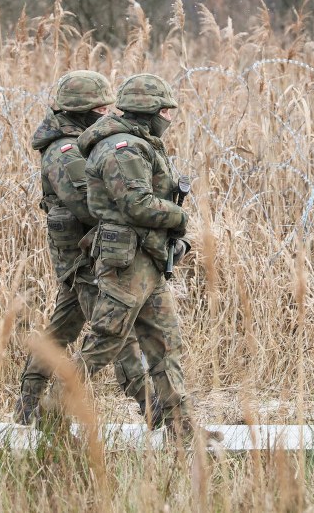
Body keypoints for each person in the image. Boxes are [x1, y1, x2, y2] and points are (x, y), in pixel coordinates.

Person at [57, 73, 200, 438]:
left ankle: (182, 430)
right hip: (127, 263)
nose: (169, 117)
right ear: (150, 110)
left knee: (165, 345)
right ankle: (52, 411)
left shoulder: (139, 143)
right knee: (105, 342)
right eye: (165, 110)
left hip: (147, 259)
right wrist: (181, 216)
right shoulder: (123, 149)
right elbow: (137, 204)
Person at [14, 71, 150, 425]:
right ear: (82, 110)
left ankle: (28, 405)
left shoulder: (75, 141)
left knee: (62, 329)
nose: (108, 113)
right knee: (116, 333)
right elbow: (86, 205)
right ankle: (155, 410)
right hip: (84, 255)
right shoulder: (65, 151)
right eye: (101, 107)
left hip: (82, 253)